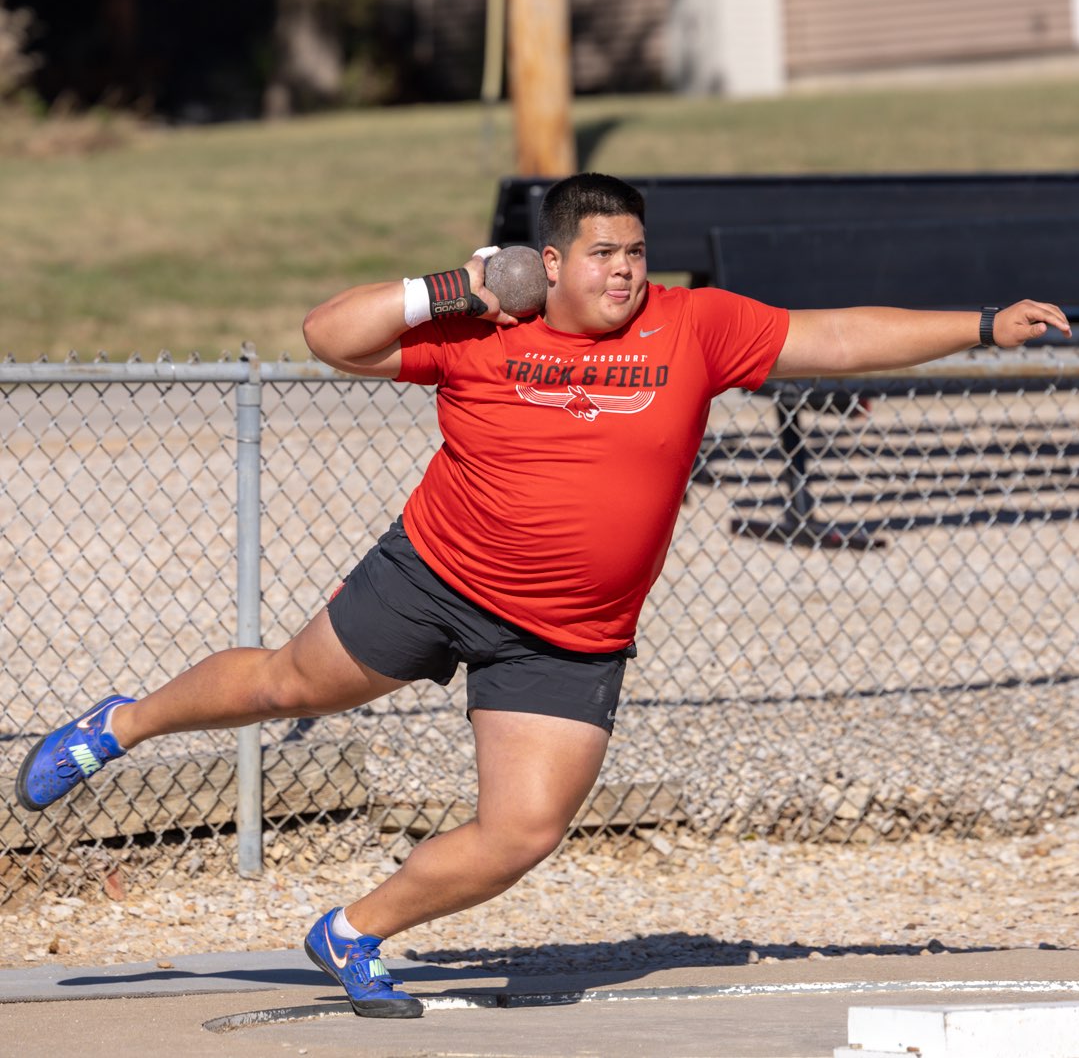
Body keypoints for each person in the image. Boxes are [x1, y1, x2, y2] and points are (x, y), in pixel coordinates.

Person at [16, 173, 1071, 1019]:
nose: (623, 272)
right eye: (602, 255)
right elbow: (327, 336)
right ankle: (119, 723)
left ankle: (352, 931)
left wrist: (980, 323)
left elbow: (831, 337)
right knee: (292, 684)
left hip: (567, 636)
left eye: (634, 253)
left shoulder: (691, 326)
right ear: (548, 262)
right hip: (436, 578)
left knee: (520, 830)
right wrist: (455, 288)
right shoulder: (485, 329)